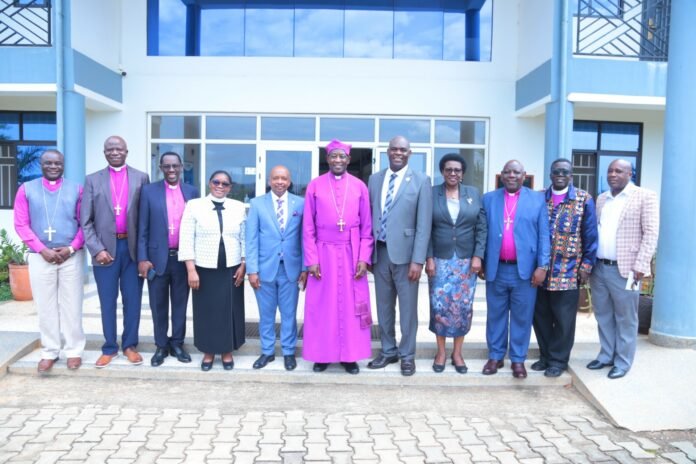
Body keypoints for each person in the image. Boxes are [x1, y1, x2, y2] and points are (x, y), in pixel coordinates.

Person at [302, 139, 373, 375]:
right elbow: (308, 227)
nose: (338, 160)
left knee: (351, 307)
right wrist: (312, 260)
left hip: (352, 253)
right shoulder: (315, 186)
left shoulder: (360, 187)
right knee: (322, 307)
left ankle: (350, 357)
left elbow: (367, 228)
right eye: (334, 156)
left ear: (348, 160)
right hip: (323, 254)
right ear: (328, 159)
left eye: (342, 156)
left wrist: (363, 258)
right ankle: (322, 355)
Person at [13, 149, 86, 372]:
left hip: (71, 256)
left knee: (72, 305)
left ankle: (74, 351)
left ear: (63, 165)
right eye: (48, 163)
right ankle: (50, 351)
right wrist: (42, 249)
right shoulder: (26, 189)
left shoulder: (77, 189)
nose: (53, 167)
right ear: (41, 164)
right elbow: (21, 224)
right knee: (45, 306)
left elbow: (85, 223)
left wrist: (72, 248)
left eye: (57, 163)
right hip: (40, 257)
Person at [81, 136, 149, 368]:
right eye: (110, 149)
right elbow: (85, 221)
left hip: (132, 250)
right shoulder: (92, 180)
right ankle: (109, 347)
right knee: (107, 301)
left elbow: (145, 218)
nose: (115, 152)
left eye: (119, 148)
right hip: (105, 251)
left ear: (126, 151)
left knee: (133, 300)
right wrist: (96, 249)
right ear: (104, 152)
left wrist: (144, 254)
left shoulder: (141, 178)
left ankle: (129, 345)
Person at [367, 135, 432, 376]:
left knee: (407, 310)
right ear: (387, 151)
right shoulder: (375, 179)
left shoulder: (421, 180)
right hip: (380, 253)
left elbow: (424, 225)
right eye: (394, 149)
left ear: (409, 153)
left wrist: (418, 260)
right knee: (383, 307)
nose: (398, 153)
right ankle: (388, 350)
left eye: (403, 150)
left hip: (407, 257)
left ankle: (407, 355)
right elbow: (369, 216)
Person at [588, 159, 658, 379]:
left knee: (626, 318)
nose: (613, 174)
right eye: (610, 171)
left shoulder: (645, 196)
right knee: (603, 315)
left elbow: (651, 233)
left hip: (628, 270)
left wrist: (641, 265)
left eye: (619, 171)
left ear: (630, 174)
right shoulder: (602, 198)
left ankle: (623, 362)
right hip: (599, 268)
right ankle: (606, 355)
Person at [480, 160, 550, 379]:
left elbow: (544, 235)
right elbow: (481, 232)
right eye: (508, 172)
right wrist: (480, 260)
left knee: (522, 317)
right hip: (496, 268)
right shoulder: (489, 199)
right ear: (501, 175)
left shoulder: (537, 199)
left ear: (523, 175)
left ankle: (518, 359)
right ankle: (495, 356)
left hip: (525, 271)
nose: (512, 175)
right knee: (495, 315)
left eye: (516, 172)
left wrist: (542, 266)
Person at [532, 159, 598, 377]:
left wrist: (586, 264)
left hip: (568, 270)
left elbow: (590, 235)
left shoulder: (583, 199)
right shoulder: (538, 197)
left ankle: (558, 361)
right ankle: (545, 356)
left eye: (565, 172)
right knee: (540, 317)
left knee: (563, 320)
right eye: (556, 171)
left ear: (571, 175)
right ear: (550, 174)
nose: (560, 175)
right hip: (539, 271)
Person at [425, 153, 487, 374]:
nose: (453, 173)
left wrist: (478, 255)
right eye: (448, 169)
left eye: (457, 170)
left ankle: (457, 353)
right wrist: (428, 258)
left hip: (466, 261)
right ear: (442, 171)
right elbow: (425, 228)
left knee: (462, 308)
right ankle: (441, 352)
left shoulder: (473, 194)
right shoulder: (431, 193)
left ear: (463, 173)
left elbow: (481, 227)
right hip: (439, 261)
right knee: (439, 307)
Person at [179, 170, 246, 371]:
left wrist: (244, 264)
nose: (220, 186)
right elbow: (186, 238)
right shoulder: (194, 205)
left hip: (231, 267)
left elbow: (244, 238)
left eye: (225, 184)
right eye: (216, 182)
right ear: (210, 183)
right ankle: (208, 352)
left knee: (229, 310)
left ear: (230, 187)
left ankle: (226, 351)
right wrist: (191, 269)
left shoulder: (238, 207)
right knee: (206, 311)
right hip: (204, 268)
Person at [137, 152, 200, 367]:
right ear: (161, 168)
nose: (171, 170)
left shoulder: (192, 192)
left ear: (181, 167)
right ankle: (161, 345)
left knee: (180, 304)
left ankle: (177, 344)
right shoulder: (149, 191)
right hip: (156, 259)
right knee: (158, 305)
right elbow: (142, 227)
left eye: (175, 166)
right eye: (167, 166)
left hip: (183, 259)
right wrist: (143, 258)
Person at [246, 165, 307, 371]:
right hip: (264, 269)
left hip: (291, 269)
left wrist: (305, 268)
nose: (280, 182)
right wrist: (252, 270)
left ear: (289, 182)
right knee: (266, 314)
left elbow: (305, 237)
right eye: (275, 178)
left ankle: (289, 352)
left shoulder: (301, 203)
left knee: (289, 314)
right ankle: (267, 351)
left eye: (283, 178)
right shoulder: (257, 204)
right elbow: (251, 239)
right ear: (269, 181)